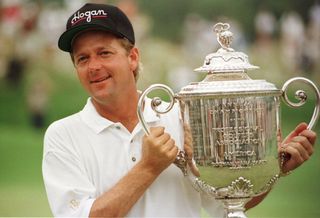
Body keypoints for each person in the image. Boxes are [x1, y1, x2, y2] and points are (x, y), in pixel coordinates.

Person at [42, 3, 317, 217]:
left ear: (133, 58)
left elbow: (225, 200)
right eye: (82, 58)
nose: (94, 67)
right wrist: (149, 167)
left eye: (104, 53)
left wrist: (275, 169)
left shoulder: (181, 116)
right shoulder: (63, 136)